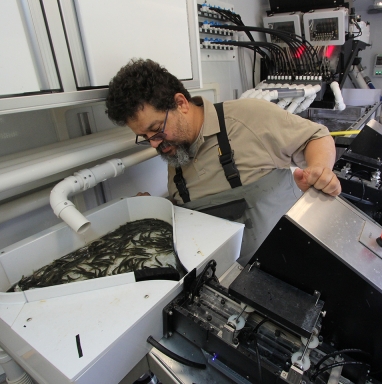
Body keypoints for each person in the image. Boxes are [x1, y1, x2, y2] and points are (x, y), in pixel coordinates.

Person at [106, 59, 341, 266]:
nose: (154, 144)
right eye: (145, 138)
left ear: (181, 104)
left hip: (291, 260)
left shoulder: (248, 116)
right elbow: (198, 210)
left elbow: (316, 136)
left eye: (156, 130)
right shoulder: (176, 153)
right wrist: (157, 210)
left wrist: (320, 169)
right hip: (229, 278)